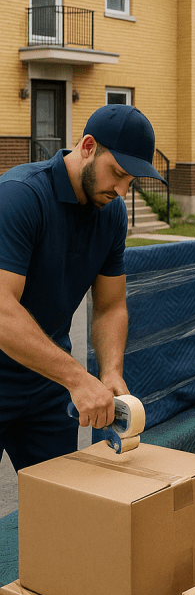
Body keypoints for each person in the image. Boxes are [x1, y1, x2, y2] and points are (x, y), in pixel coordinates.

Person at [0, 104, 165, 471]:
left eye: (131, 181)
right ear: (88, 146)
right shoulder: (19, 196)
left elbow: (110, 306)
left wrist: (110, 372)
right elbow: (1, 310)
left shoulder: (111, 214)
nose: (123, 191)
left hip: (46, 381)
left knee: (62, 511)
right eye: (118, 174)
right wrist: (77, 378)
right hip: (30, 369)